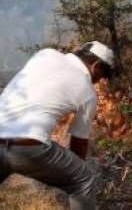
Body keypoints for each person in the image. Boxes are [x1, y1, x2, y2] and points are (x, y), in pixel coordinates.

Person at [0, 41, 115, 209]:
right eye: (102, 76)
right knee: (83, 179)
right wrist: (70, 175)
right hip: (27, 147)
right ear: (96, 66)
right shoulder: (88, 92)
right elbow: (79, 143)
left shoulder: (45, 54)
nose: (99, 81)